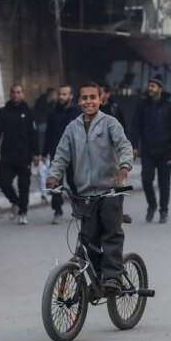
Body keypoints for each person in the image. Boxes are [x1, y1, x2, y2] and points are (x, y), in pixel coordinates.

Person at [46, 82, 133, 295]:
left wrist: (124, 166)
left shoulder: (110, 123)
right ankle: (96, 280)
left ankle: (112, 278)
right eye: (84, 98)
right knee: (88, 240)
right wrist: (53, 176)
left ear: (100, 99)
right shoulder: (72, 128)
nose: (88, 101)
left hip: (111, 191)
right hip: (85, 194)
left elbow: (124, 146)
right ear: (78, 101)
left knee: (111, 235)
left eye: (93, 97)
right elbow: (61, 155)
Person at [130, 74, 171, 224]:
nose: (150, 88)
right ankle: (152, 205)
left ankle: (163, 210)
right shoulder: (142, 105)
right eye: (149, 85)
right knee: (146, 180)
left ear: (160, 88)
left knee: (164, 183)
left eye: (153, 86)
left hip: (165, 150)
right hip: (147, 150)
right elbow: (135, 126)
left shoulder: (169, 106)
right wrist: (134, 146)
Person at [0, 84, 40, 224]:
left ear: (22, 94)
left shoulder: (29, 112)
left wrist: (36, 153)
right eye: (13, 92)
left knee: (24, 185)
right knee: (4, 183)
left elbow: (34, 134)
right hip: (7, 155)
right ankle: (16, 202)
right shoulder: (3, 112)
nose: (15, 95)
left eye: (18, 92)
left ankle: (23, 212)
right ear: (10, 94)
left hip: (24, 155)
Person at [43, 85, 81, 224]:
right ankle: (57, 211)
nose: (61, 97)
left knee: (73, 181)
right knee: (56, 183)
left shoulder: (77, 112)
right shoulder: (53, 113)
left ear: (70, 96)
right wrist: (44, 152)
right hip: (57, 153)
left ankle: (78, 206)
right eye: (59, 94)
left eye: (64, 94)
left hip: (74, 153)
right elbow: (48, 134)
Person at [33, 88, 56, 152]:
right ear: (51, 95)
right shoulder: (41, 102)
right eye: (55, 94)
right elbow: (39, 116)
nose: (56, 96)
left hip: (46, 124)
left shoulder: (52, 103)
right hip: (41, 124)